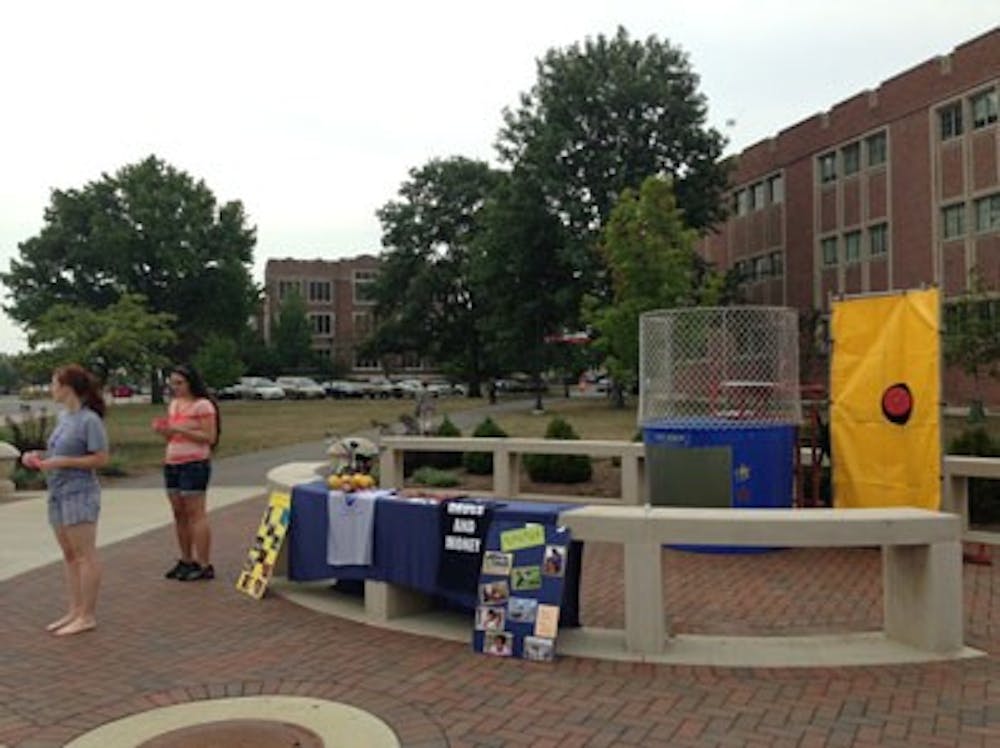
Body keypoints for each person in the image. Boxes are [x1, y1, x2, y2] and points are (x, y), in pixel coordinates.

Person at [21, 364, 110, 636]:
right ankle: (75, 609)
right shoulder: (64, 418)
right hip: (57, 492)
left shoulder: (89, 420)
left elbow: (100, 457)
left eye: (54, 383)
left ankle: (87, 615)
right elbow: (54, 451)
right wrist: (36, 456)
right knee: (70, 555)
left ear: (68, 387)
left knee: (85, 555)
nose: (51, 389)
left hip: (79, 492)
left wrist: (65, 461)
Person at [154, 364, 220, 581]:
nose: (176, 388)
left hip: (195, 463)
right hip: (173, 461)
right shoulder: (174, 405)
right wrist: (165, 432)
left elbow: (209, 437)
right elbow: (172, 437)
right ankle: (186, 558)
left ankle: (204, 563)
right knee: (179, 513)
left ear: (191, 382)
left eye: (180, 383)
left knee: (195, 513)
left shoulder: (203, 405)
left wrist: (179, 429)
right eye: (172, 384)